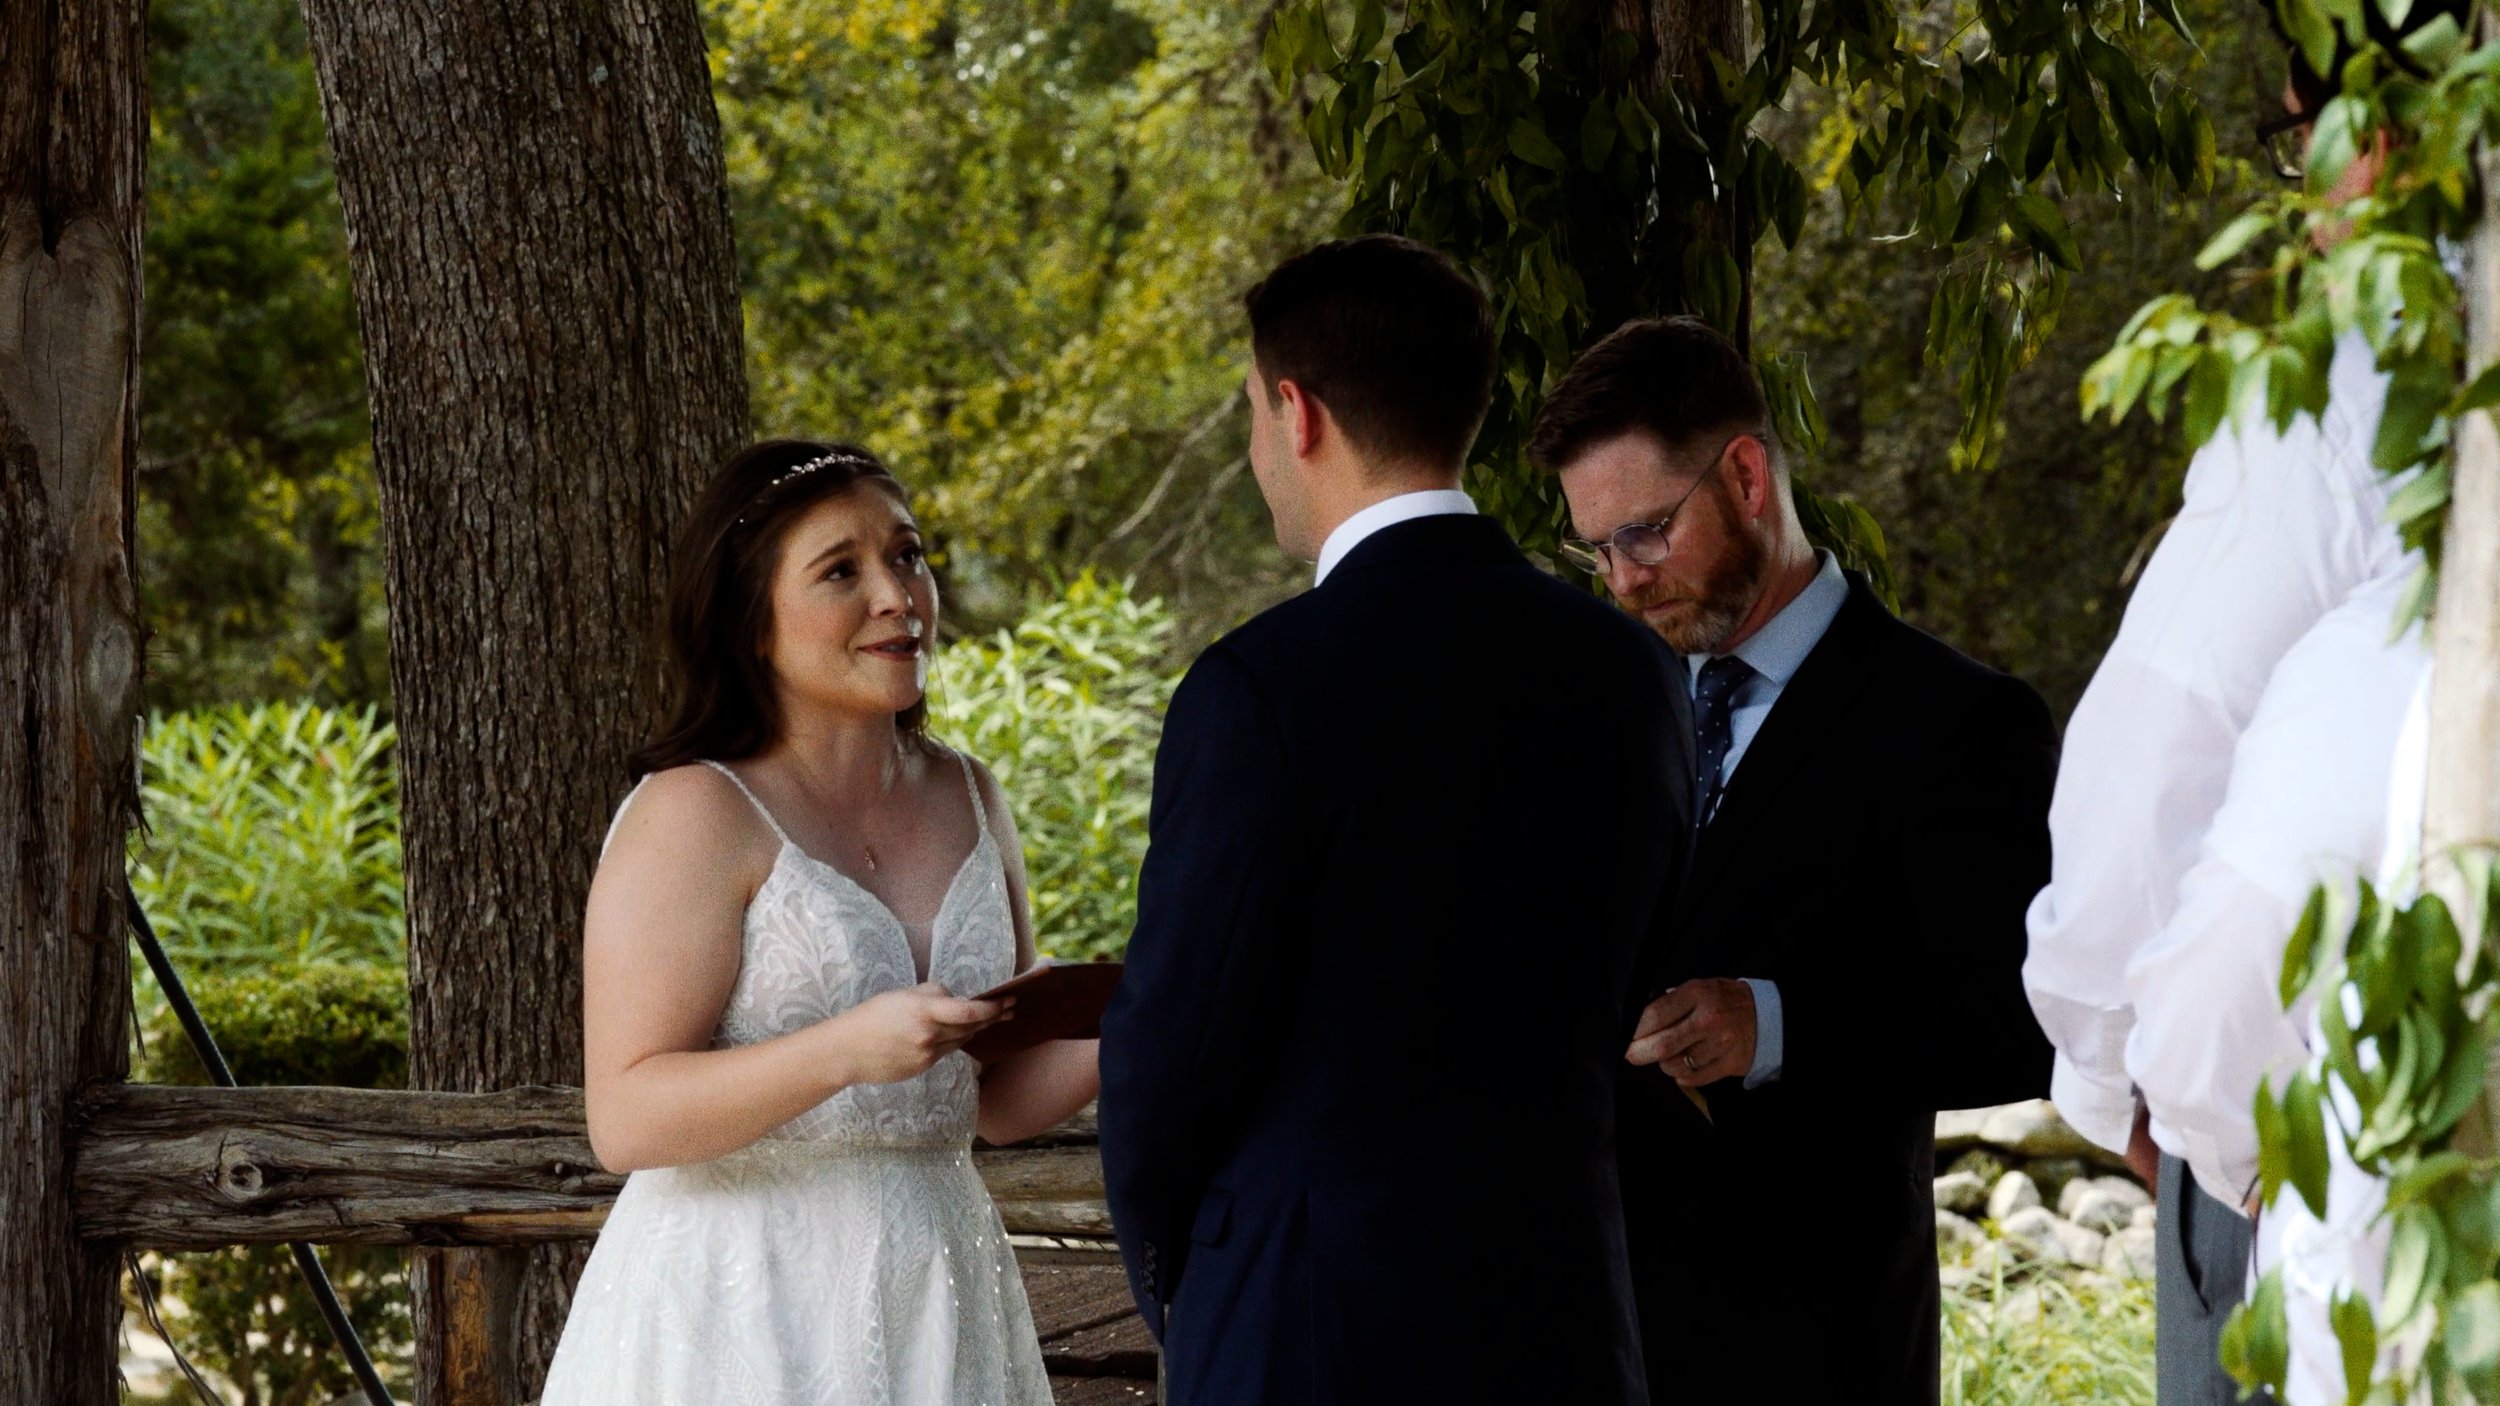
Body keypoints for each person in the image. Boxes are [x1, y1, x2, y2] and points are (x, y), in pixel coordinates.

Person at [1097, 235, 1694, 1405]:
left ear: (1294, 410)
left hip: (1307, 1329)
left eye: (1253, 418)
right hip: (1562, 1311)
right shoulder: (1632, 670)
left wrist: (1183, 1277)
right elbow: (1634, 978)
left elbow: (1169, 1052)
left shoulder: (1257, 687)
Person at [2021, 2, 2456, 1393]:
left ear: (2373, 136)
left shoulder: (2342, 388)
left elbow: (2150, 751)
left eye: (2296, 143)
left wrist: (2108, 1071)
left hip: (2312, 1127)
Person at [1531, 315, 2057, 1405]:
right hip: (1592, 1341)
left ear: (1744, 474)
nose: (1622, 581)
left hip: (1818, 1349)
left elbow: (2024, 1021)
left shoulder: (1960, 722)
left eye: (1646, 533)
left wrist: (1775, 1026)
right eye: (1596, 550)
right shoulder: (1592, 715)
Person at [537, 440, 1099, 1404]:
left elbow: (997, 1099)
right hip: (739, 1310)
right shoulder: (695, 813)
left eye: (909, 555)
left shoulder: (971, 794)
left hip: (940, 1289)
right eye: (842, 570)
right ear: (750, 623)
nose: (897, 596)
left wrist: (1154, 1006)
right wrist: (842, 1050)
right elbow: (624, 1118)